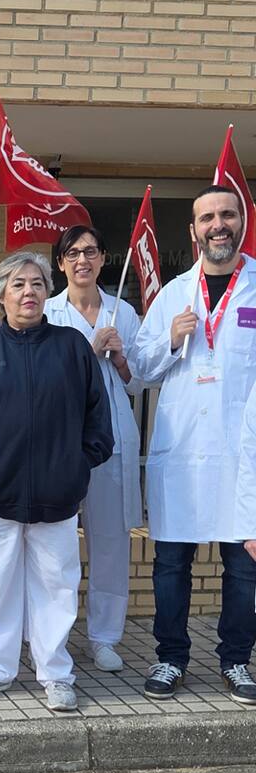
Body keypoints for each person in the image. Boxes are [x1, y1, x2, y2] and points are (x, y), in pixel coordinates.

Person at [0, 251, 113, 713]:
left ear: (46, 292)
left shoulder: (72, 346)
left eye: (36, 283)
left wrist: (79, 465)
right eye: (18, 285)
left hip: (57, 494)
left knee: (56, 583)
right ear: (1, 295)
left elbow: (98, 417)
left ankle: (55, 673)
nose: (29, 292)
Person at [133, 185, 256, 705]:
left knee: (243, 567)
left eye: (227, 214)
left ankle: (235, 662)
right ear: (193, 230)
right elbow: (138, 370)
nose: (218, 225)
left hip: (242, 456)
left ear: (242, 223)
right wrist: (170, 340)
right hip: (182, 455)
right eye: (207, 217)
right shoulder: (171, 295)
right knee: (170, 565)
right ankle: (170, 657)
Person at [46, 225, 147, 672]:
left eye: (90, 251)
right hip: (61, 443)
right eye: (72, 253)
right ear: (61, 262)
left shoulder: (122, 311)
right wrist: (90, 350)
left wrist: (122, 357)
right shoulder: (46, 312)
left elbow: (142, 381)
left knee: (110, 543)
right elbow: (44, 379)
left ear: (103, 258)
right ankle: (55, 637)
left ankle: (105, 637)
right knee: (57, 544)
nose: (81, 260)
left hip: (110, 442)